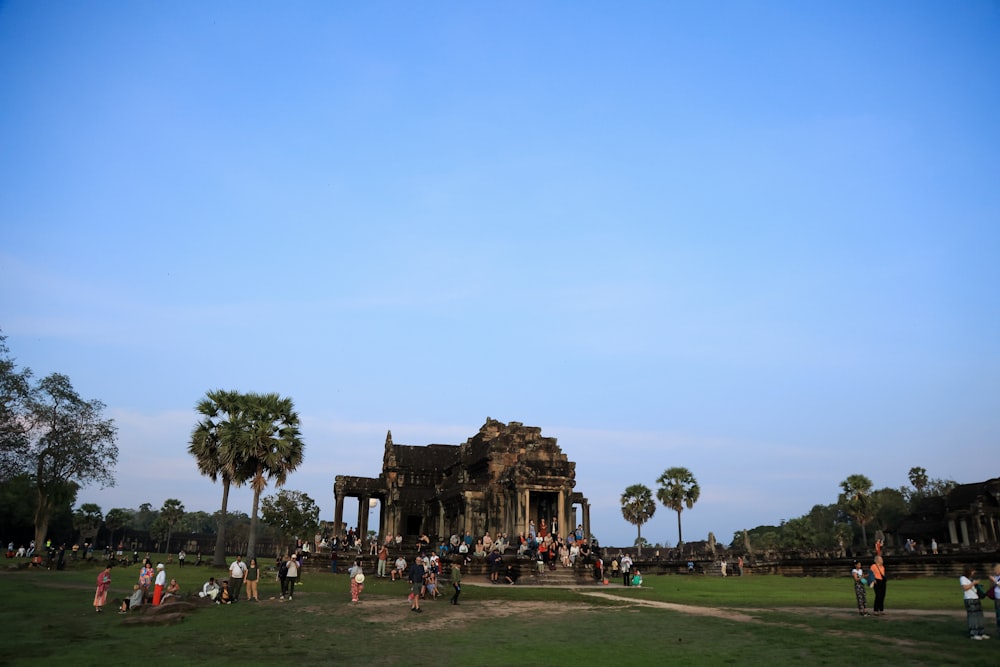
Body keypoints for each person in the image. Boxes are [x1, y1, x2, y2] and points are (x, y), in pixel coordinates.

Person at [960, 565, 988, 640]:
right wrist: (973, 583)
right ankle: (973, 633)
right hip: (969, 599)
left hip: (976, 598)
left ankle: (981, 632)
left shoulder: (970, 579)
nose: (974, 572)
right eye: (972, 571)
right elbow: (965, 588)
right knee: (973, 617)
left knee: (979, 616)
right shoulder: (963, 578)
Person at [989, 563, 1000, 636]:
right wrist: (992, 581)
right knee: (998, 614)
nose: (994, 571)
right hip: (997, 598)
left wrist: (995, 581)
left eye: (995, 570)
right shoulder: (996, 576)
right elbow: (992, 586)